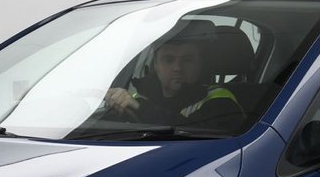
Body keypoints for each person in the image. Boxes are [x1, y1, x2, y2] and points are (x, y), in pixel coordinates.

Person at [104, 22, 243, 128]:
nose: (177, 68)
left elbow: (190, 130)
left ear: (200, 63)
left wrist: (141, 108)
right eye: (168, 60)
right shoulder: (139, 96)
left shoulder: (221, 101)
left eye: (187, 60)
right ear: (156, 65)